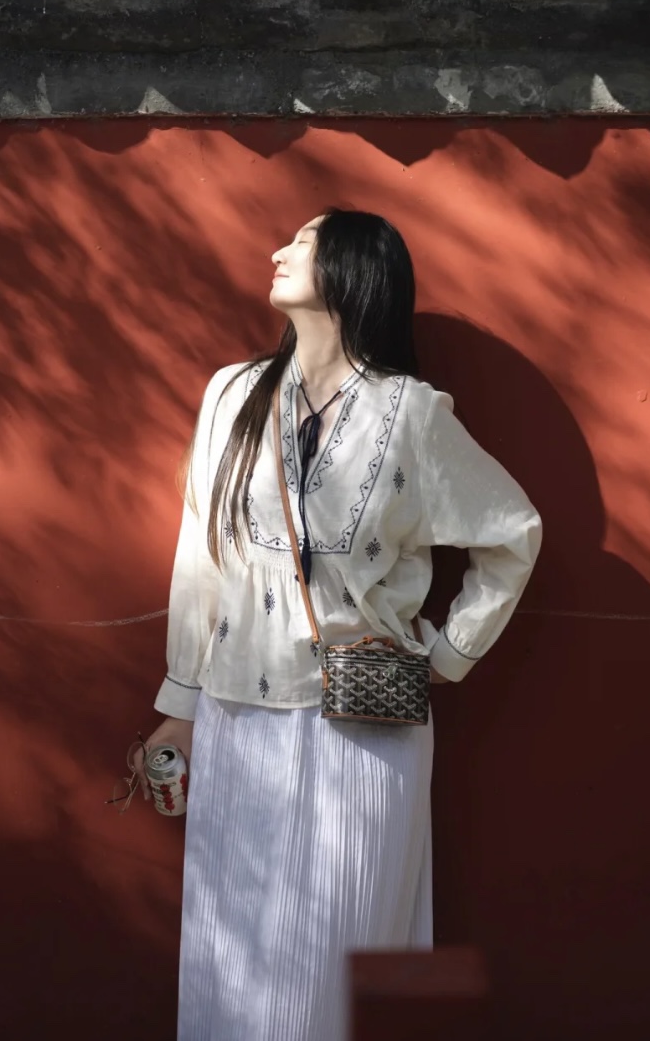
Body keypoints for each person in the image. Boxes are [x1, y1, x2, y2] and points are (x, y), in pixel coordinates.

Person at [135, 209, 542, 1041]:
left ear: (356, 270)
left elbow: (512, 534)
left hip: (362, 729)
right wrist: (179, 703)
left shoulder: (412, 413)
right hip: (238, 718)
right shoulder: (232, 392)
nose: (277, 251)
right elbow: (199, 556)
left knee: (335, 968)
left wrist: (442, 655)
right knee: (234, 965)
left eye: (303, 242)